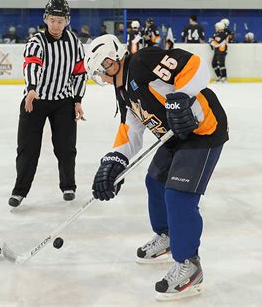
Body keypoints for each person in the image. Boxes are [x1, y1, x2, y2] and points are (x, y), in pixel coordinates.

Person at [84, 34, 228, 301]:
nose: (100, 79)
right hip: (174, 137)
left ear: (109, 61)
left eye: (99, 72)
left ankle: (190, 266)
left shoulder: (142, 61)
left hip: (204, 131)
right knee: (155, 181)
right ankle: (167, 236)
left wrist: (180, 97)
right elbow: (131, 128)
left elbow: (193, 65)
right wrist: (114, 160)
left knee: (179, 195)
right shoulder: (123, 89)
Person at [8, 0, 87, 207]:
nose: (55, 25)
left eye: (60, 21)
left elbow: (79, 73)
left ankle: (68, 185)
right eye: (52, 20)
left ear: (67, 21)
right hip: (35, 101)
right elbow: (32, 65)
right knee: (27, 148)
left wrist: (77, 100)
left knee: (66, 148)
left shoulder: (74, 43)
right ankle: (20, 190)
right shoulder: (36, 41)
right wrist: (31, 88)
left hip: (63, 102)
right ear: (45, 18)